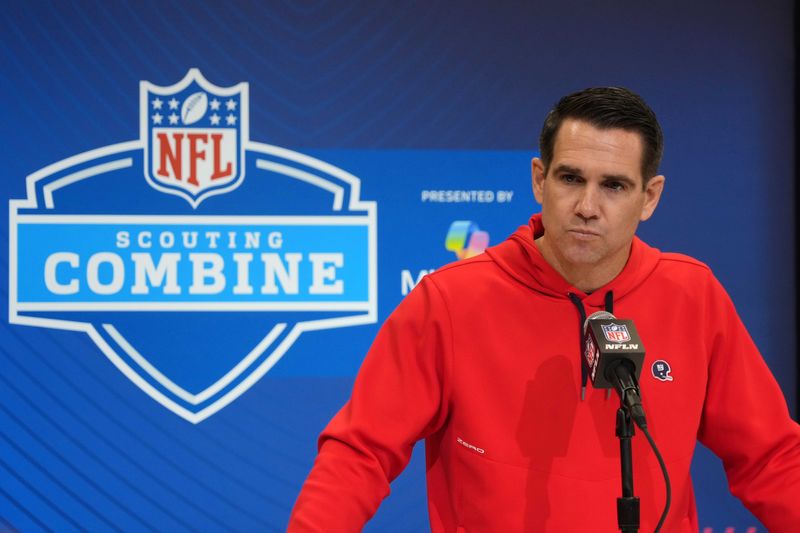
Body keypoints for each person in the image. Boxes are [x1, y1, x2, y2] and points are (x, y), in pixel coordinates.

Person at [287, 87, 800, 532]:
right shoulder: (449, 302)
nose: (586, 206)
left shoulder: (693, 295)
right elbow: (359, 456)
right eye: (570, 178)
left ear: (650, 197)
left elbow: (772, 459)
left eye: (614, 185)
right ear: (539, 180)